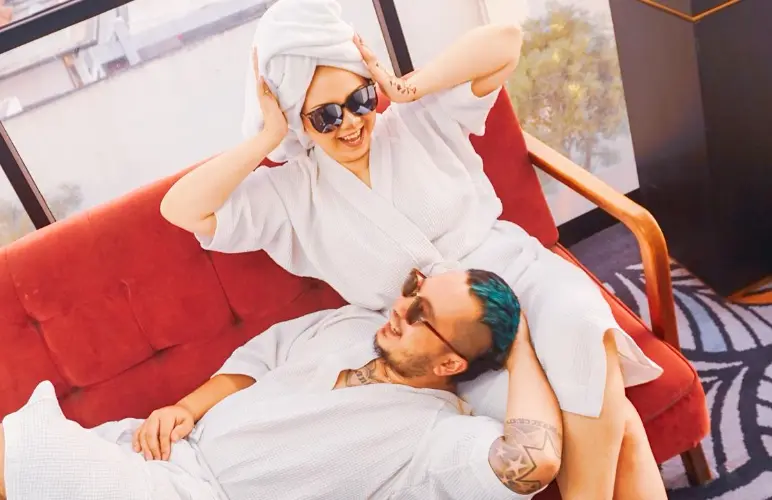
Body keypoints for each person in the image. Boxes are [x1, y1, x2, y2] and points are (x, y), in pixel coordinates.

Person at [160, 0, 667, 497]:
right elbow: (181, 209)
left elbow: (506, 42)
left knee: (581, 328)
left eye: (359, 100)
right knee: (616, 420)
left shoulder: (420, 120)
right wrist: (267, 137)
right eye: (325, 116)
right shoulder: (291, 194)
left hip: (523, 277)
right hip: (448, 343)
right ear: (298, 122)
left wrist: (404, 89)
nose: (352, 123)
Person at [0, 269, 562, 500]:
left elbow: (532, 461)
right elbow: (257, 362)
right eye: (413, 290)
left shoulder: (434, 438)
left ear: (450, 365)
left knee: (21, 449)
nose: (400, 308)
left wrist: (522, 350)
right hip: (158, 452)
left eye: (422, 315)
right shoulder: (350, 326)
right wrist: (186, 407)